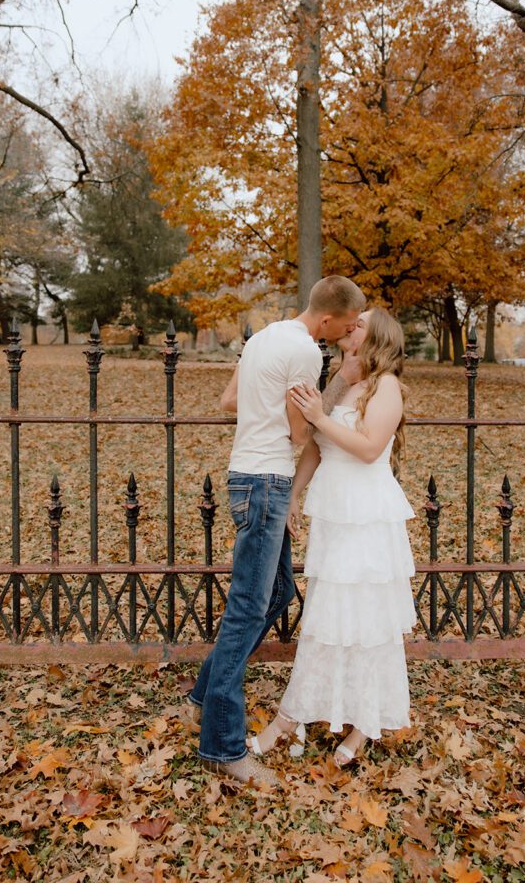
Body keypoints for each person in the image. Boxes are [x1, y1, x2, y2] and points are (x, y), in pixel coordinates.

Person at [187, 275, 366, 787]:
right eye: (348, 325)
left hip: (244, 476)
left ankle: (203, 698)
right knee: (247, 608)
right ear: (328, 319)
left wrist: (268, 406)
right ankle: (222, 747)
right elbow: (299, 430)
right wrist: (335, 390)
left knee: (277, 592)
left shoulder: (262, 338)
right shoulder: (308, 353)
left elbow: (229, 401)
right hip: (266, 481)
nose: (349, 333)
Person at [247, 308, 415, 766]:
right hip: (334, 513)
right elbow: (316, 448)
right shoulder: (342, 381)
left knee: (367, 622)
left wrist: (320, 416)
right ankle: (303, 712)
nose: (348, 326)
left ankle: (359, 724)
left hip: (367, 515)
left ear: (375, 336)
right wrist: (294, 497)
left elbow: (367, 449)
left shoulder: (387, 387)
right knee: (327, 616)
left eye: (358, 323)